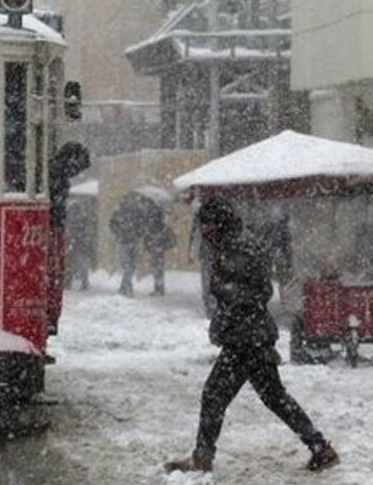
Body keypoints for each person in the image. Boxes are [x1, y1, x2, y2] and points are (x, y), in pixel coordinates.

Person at [165, 196, 339, 474]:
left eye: (208, 224)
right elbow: (252, 290)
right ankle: (319, 446)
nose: (205, 231)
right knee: (274, 396)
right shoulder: (237, 242)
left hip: (245, 338)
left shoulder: (236, 247)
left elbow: (250, 293)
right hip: (252, 335)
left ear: (220, 222)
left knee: (214, 395)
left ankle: (202, 458)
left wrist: (226, 318)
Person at [109, 197, 143, 297]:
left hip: (124, 242)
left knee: (129, 267)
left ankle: (124, 287)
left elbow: (111, 225)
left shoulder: (119, 214)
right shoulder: (135, 214)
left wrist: (118, 233)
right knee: (130, 267)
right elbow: (140, 227)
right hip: (129, 242)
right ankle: (128, 288)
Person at [144, 213, 176, 296]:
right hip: (158, 251)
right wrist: (164, 246)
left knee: (157, 270)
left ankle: (159, 288)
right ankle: (159, 288)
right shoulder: (163, 228)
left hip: (157, 251)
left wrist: (150, 247)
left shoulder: (153, 228)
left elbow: (146, 240)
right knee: (158, 270)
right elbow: (172, 240)